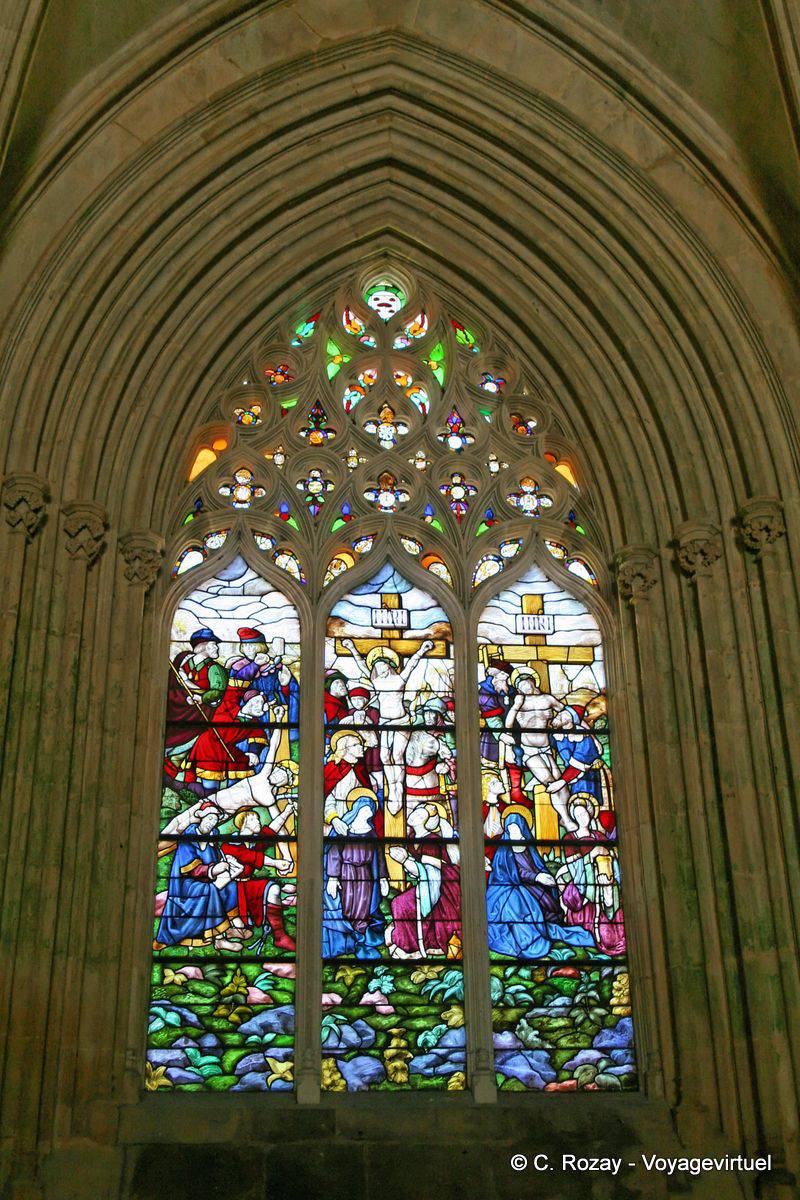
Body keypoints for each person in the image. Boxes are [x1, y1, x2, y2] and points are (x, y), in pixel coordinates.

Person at [341, 637, 434, 818]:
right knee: (385, 757)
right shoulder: (376, 682)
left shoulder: (399, 679)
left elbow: (412, 664)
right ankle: (393, 789)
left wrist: (422, 650)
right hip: (384, 723)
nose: (379, 669)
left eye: (382, 665)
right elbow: (362, 665)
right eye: (376, 667)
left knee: (397, 756)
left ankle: (398, 791)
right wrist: (351, 648)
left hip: (401, 722)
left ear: (389, 665)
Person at [485, 807, 594, 958]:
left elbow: (537, 866)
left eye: (517, 829)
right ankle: (527, 939)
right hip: (505, 889)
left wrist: (544, 876)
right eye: (511, 830)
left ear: (523, 828)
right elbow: (506, 873)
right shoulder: (503, 850)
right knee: (515, 899)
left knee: (543, 901)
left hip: (531, 886)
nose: (514, 833)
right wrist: (536, 877)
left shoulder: (529, 847)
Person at [154, 805, 243, 952]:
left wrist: (227, 863)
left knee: (230, 887)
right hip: (185, 884)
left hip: (207, 879)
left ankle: (233, 925)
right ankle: (219, 939)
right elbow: (190, 869)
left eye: (214, 820)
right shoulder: (187, 839)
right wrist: (213, 869)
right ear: (201, 817)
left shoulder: (213, 840)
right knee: (209, 890)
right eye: (209, 818)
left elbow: (216, 860)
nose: (211, 823)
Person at [504, 667, 575, 830]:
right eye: (520, 686)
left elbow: (567, 712)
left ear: (532, 681)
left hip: (546, 748)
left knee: (560, 781)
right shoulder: (519, 702)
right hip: (529, 750)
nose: (524, 688)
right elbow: (508, 725)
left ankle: (565, 817)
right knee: (550, 782)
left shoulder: (548, 699)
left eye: (525, 683)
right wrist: (516, 706)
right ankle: (566, 819)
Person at [386, 804, 461, 958]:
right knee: (399, 902)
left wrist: (405, 860)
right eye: (415, 812)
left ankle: (410, 946)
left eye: (420, 815)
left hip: (441, 888)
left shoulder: (431, 841)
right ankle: (405, 941)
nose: (413, 815)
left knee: (400, 903)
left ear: (427, 821)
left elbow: (432, 873)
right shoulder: (412, 838)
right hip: (425, 882)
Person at [322, 789, 388, 960]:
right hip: (346, 872)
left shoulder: (371, 832)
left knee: (364, 903)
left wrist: (382, 878)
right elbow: (334, 853)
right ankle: (350, 933)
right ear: (357, 809)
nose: (368, 813)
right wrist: (333, 877)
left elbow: (379, 857)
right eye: (365, 809)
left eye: (371, 810)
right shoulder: (345, 829)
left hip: (366, 873)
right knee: (348, 901)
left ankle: (361, 931)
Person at [557, 794, 626, 955]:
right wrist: (591, 856)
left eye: (584, 813)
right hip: (582, 881)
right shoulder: (569, 838)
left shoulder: (599, 836)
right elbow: (573, 866)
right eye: (578, 815)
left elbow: (611, 857)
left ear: (590, 813)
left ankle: (612, 925)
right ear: (574, 817)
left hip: (603, 874)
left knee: (609, 887)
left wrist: (606, 854)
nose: (582, 817)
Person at [222, 807, 296, 951]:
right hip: (230, 888)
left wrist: (287, 811)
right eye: (253, 819)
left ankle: (280, 936)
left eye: (257, 818)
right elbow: (248, 856)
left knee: (273, 888)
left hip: (248, 884)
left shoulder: (254, 842)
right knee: (240, 926)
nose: (258, 821)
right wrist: (275, 863)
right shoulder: (230, 843)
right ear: (243, 822)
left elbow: (271, 831)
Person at [164, 627, 228, 788]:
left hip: (201, 716)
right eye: (213, 644)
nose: (217, 648)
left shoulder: (215, 669)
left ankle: (171, 780)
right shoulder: (182, 664)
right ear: (202, 645)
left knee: (182, 751)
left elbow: (218, 692)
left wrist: (201, 697)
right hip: (177, 713)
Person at [550, 705, 604, 803]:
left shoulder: (584, 738)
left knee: (581, 803)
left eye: (564, 714)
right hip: (568, 776)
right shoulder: (557, 735)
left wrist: (561, 782)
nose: (559, 714)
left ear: (571, 719)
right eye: (560, 713)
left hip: (586, 779)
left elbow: (578, 765)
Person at [323, 731, 374, 831]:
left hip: (360, 821)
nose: (361, 747)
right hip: (338, 815)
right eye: (355, 745)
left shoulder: (361, 770)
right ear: (344, 748)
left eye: (360, 744)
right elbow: (328, 798)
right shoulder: (332, 769)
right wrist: (334, 819)